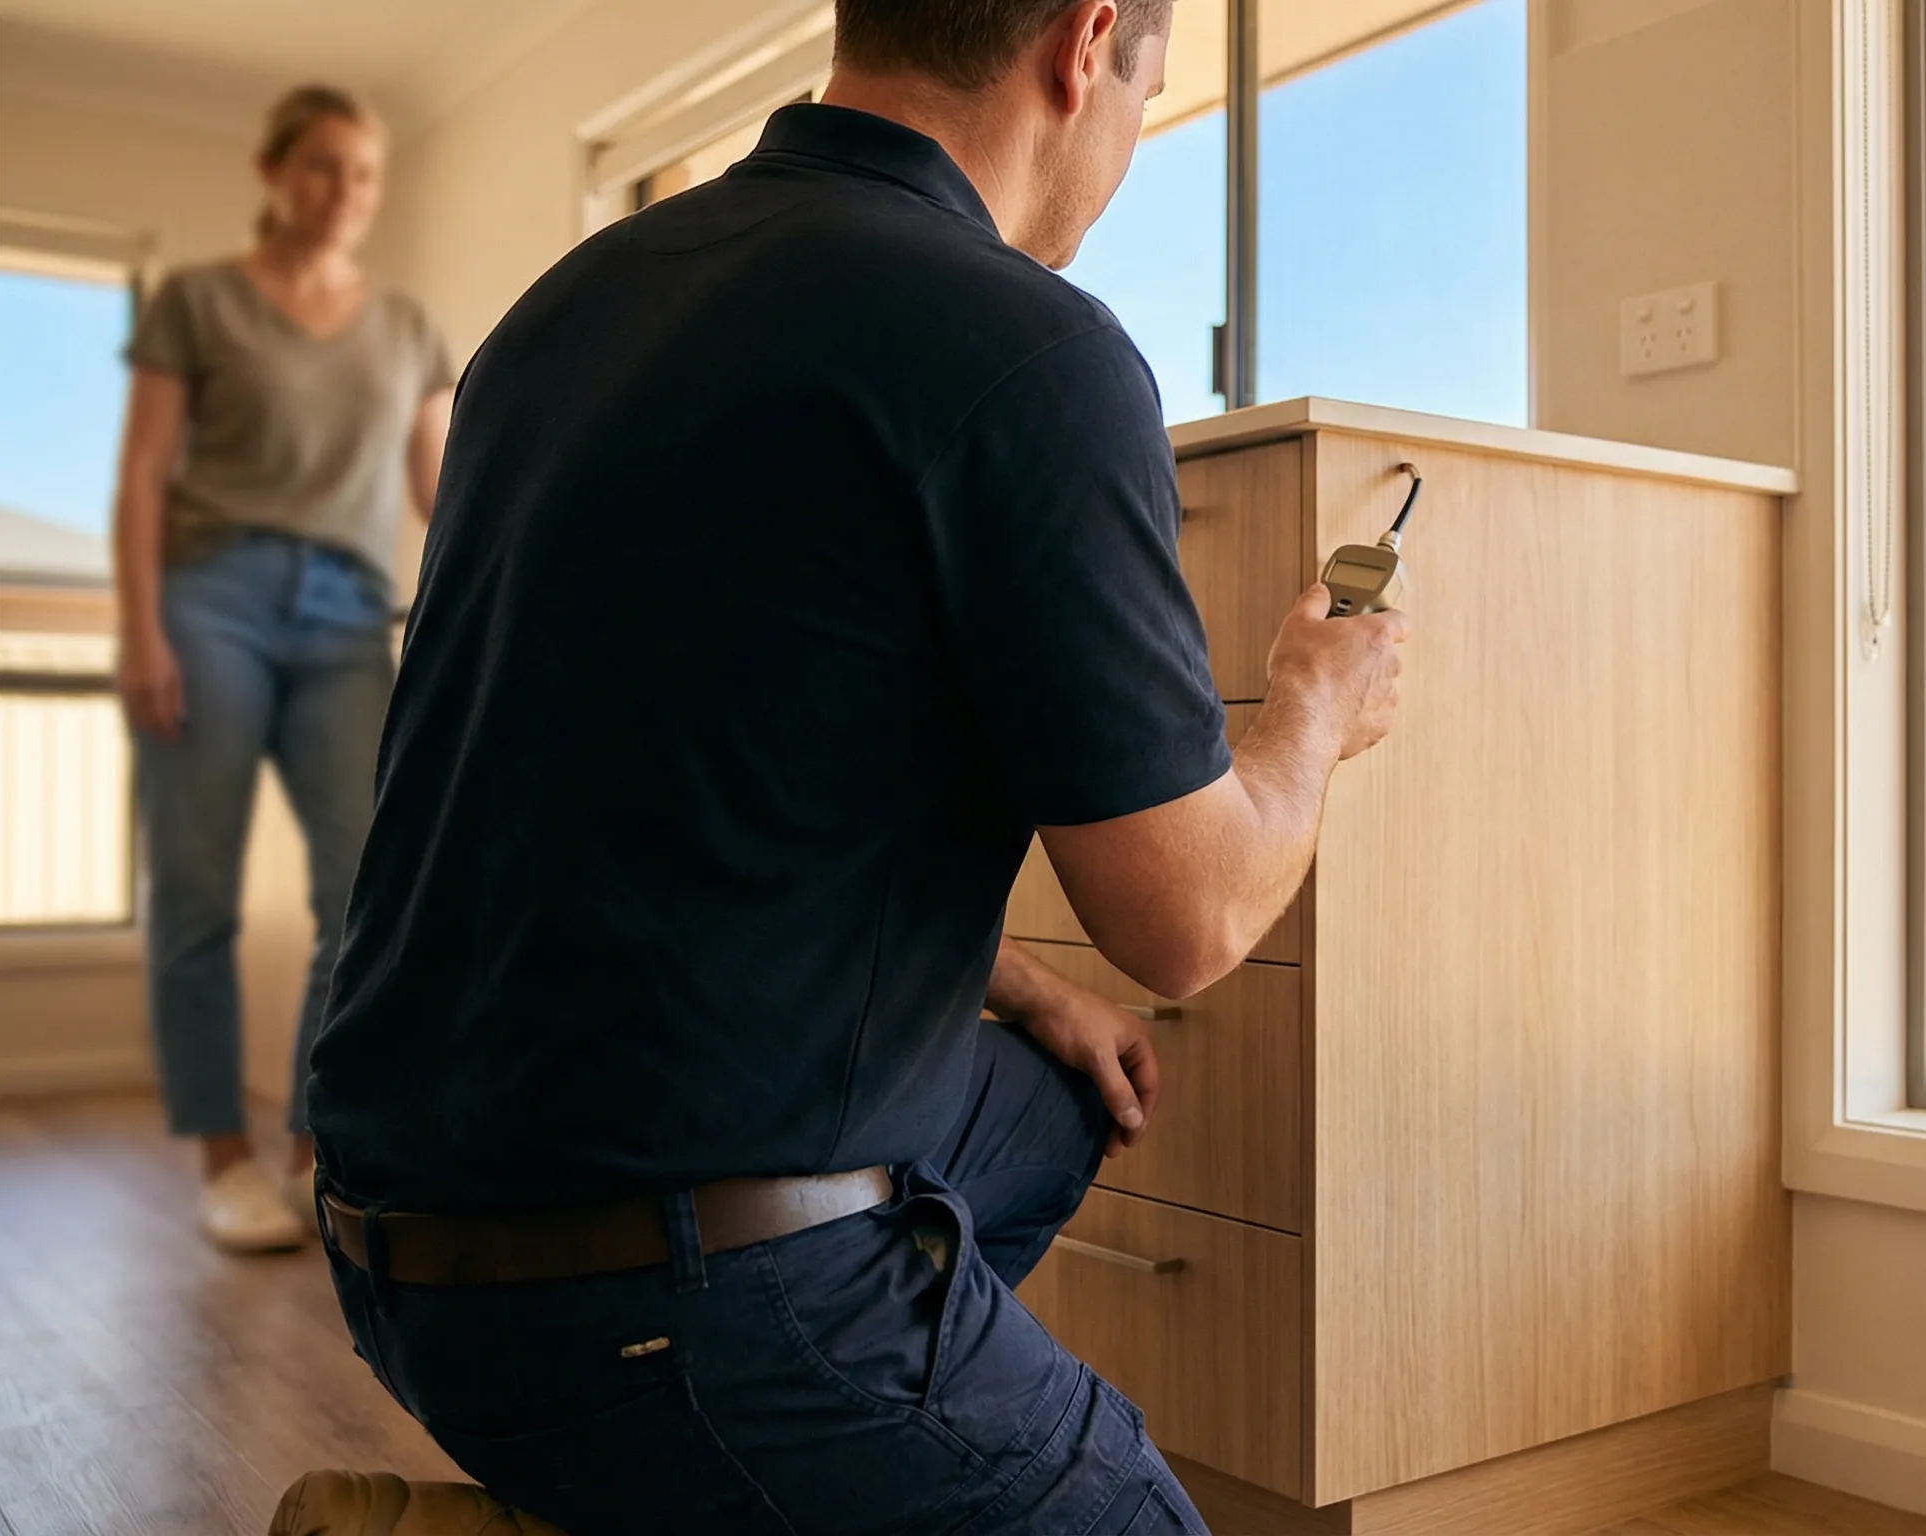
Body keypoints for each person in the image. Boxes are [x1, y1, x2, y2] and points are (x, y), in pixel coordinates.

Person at [297, 1, 1409, 1532]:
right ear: (1089, 44)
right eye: (1154, 88)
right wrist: (1310, 712)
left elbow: (664, 761)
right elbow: (1190, 918)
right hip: (645, 1299)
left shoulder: (563, 315)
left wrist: (1019, 982)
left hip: (396, 1239)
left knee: (1052, 1103)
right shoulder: (1026, 347)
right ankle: (743, 1435)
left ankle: (683, 1486)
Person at [111, 83, 456, 1253]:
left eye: (362, 174)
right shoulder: (198, 304)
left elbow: (441, 497)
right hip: (212, 599)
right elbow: (143, 475)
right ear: (273, 173)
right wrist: (141, 631)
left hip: (349, 615)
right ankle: (222, 1159)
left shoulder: (404, 329)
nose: (343, 193)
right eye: (320, 167)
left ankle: (319, 1148)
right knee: (196, 885)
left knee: (360, 891)